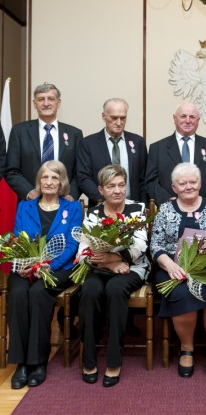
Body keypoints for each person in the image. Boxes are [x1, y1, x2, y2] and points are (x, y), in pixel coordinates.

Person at [151, 163, 206, 380]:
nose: (189, 186)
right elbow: (156, 245)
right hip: (173, 269)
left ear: (200, 183)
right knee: (181, 293)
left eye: (193, 182)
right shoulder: (165, 209)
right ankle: (186, 349)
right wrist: (169, 265)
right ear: (174, 187)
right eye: (183, 183)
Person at [7, 161, 83, 389]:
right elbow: (18, 239)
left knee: (39, 293)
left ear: (62, 183)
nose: (49, 182)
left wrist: (50, 265)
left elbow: (72, 244)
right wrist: (23, 262)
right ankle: (21, 363)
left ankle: (38, 361)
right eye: (45, 178)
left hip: (59, 268)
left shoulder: (73, 208)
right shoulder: (25, 206)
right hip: (27, 266)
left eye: (55, 178)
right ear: (39, 181)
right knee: (19, 294)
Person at [77, 165, 149, 387]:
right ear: (101, 189)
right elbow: (83, 252)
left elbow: (140, 246)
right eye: (111, 186)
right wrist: (110, 263)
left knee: (115, 290)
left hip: (132, 268)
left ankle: (114, 361)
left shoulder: (137, 208)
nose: (118, 190)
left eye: (121, 185)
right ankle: (88, 359)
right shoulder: (93, 213)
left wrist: (116, 260)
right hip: (100, 268)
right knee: (89, 291)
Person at [6, 83, 82, 201]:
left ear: (58, 103)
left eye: (51, 99)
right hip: (30, 203)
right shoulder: (19, 131)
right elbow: (11, 170)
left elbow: (80, 171)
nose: (46, 103)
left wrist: (70, 195)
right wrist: (30, 192)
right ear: (35, 104)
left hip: (64, 202)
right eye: (41, 99)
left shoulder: (74, 134)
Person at [145, 102, 206, 207]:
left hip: (204, 210)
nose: (188, 121)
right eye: (183, 116)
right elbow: (151, 181)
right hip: (170, 210)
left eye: (192, 117)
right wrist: (168, 201)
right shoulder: (157, 148)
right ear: (174, 119)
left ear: (198, 120)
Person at [77, 98, 148, 208]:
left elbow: (143, 178)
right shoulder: (88, 143)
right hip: (100, 207)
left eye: (123, 118)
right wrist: (102, 200)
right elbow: (83, 177)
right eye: (114, 118)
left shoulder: (138, 142)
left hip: (133, 208)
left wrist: (143, 205)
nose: (119, 123)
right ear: (103, 116)